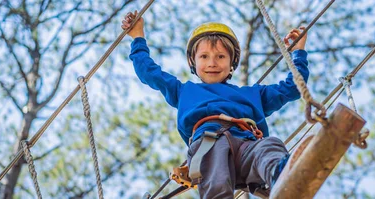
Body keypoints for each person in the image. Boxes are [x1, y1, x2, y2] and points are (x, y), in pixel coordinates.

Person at [122, 10, 309, 198]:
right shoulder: (184, 91)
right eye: (204, 57)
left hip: (248, 147)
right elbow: (149, 73)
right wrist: (138, 37)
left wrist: (298, 53)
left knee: (269, 146)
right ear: (193, 62)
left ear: (232, 63)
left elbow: (293, 87)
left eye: (220, 56)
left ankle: (282, 177)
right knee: (214, 164)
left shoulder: (254, 94)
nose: (212, 63)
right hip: (210, 142)